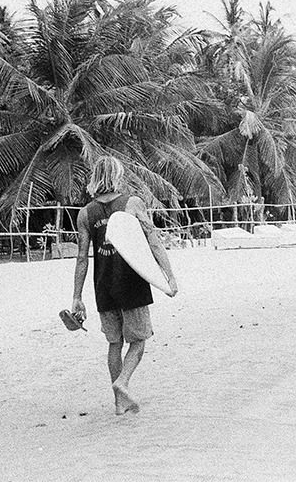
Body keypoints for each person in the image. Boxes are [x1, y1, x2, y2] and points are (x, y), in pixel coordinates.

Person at [71, 156, 178, 415]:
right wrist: (168, 276)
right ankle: (123, 382)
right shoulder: (132, 204)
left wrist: (77, 296)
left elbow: (82, 257)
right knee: (139, 342)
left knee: (114, 344)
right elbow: (153, 241)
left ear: (95, 177)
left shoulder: (85, 213)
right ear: (118, 176)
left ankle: (120, 403)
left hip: (103, 285)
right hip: (131, 283)